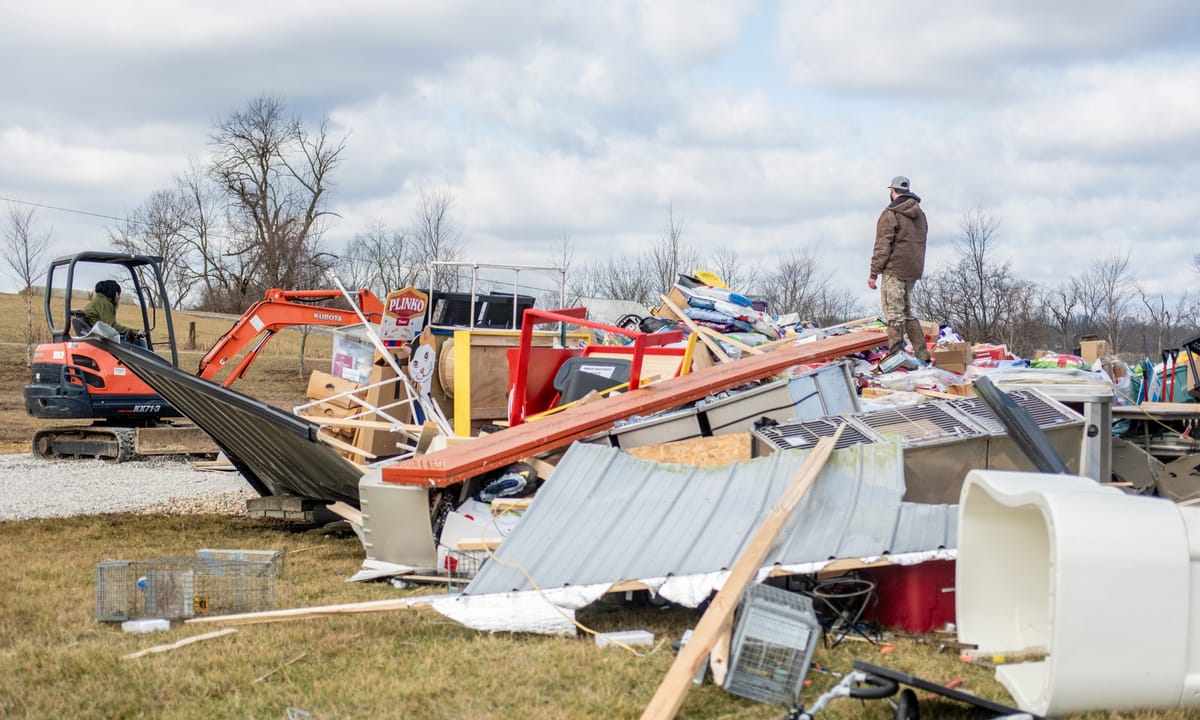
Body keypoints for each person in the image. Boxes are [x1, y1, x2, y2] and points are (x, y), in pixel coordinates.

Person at [868, 175, 929, 362]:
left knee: (894, 314)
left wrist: (873, 273)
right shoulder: (920, 214)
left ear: (892, 191)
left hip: (894, 269)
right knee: (907, 312)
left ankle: (895, 357)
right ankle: (922, 353)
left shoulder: (891, 213)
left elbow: (882, 245)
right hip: (913, 269)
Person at [83, 280, 145, 345]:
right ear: (115, 293)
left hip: (100, 337)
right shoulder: (105, 304)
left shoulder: (95, 302)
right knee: (140, 343)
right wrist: (133, 331)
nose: (119, 297)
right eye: (119, 294)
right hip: (104, 341)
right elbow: (112, 327)